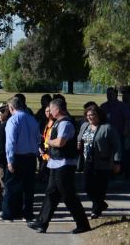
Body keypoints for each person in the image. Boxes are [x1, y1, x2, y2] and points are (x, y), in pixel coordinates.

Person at [30, 98, 91, 234]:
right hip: (56, 163)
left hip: (64, 165)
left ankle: (83, 224)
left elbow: (60, 142)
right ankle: (41, 223)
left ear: (57, 110)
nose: (50, 112)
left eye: (51, 109)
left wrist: (48, 141)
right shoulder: (58, 123)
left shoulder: (65, 123)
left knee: (68, 195)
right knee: (51, 194)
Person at [78, 103, 123, 219]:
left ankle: (96, 210)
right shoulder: (85, 126)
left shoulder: (107, 128)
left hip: (103, 162)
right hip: (87, 160)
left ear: (98, 115)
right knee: (86, 187)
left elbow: (116, 146)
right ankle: (101, 203)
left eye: (92, 115)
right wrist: (79, 143)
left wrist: (117, 162)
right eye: (87, 115)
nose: (89, 117)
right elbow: (80, 137)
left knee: (100, 188)